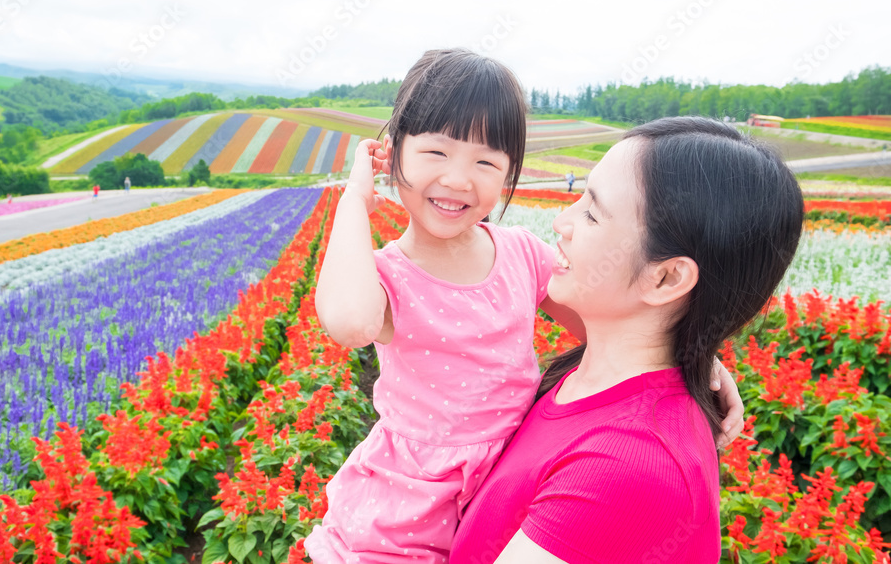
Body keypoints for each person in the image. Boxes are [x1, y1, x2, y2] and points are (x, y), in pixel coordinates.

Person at [306, 50, 745, 563]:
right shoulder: (390, 276)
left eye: (486, 162)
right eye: (436, 153)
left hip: (498, 485)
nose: (458, 180)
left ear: (510, 173)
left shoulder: (517, 254)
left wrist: (700, 363)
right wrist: (355, 200)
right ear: (392, 152)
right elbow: (349, 321)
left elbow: (618, 331)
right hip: (410, 505)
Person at [450, 117, 803, 563]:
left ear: (667, 277)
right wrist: (700, 356)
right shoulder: (589, 381)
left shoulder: (629, 466)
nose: (561, 221)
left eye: (592, 213)